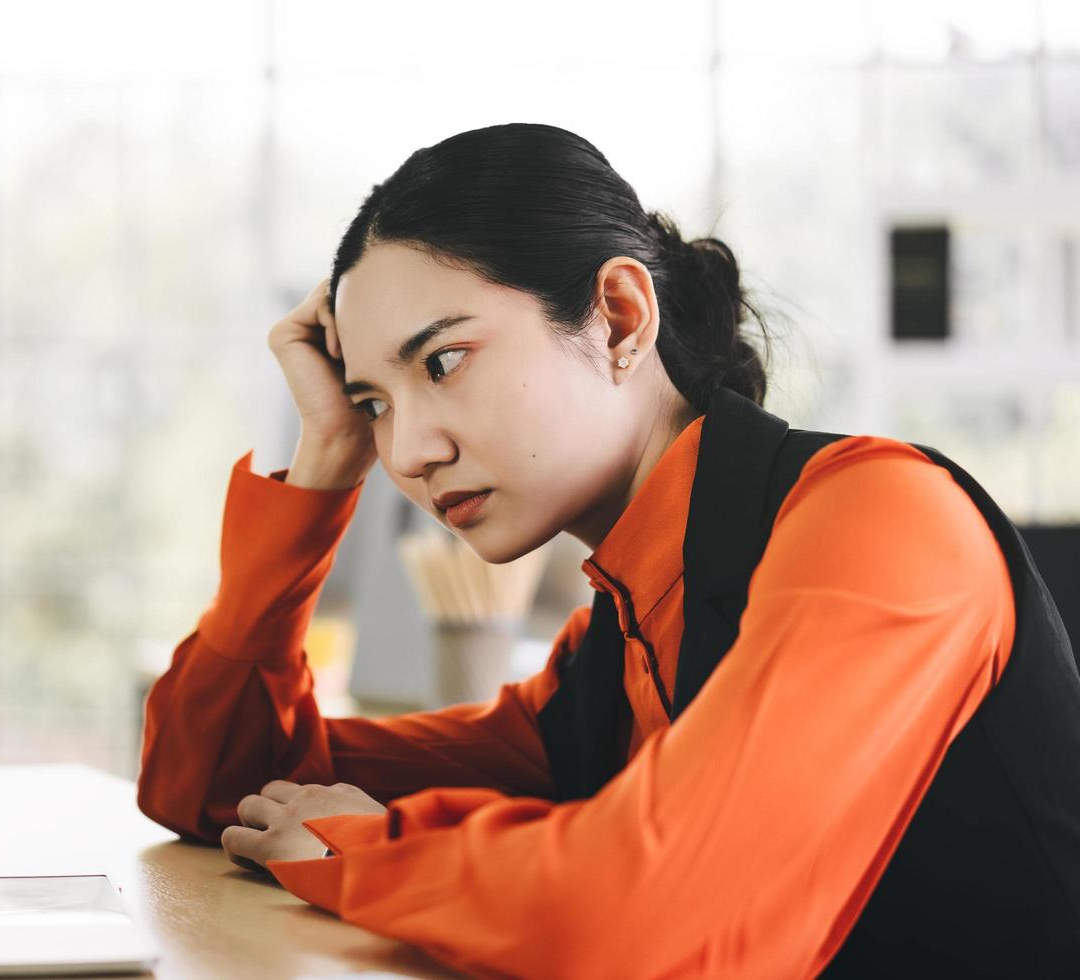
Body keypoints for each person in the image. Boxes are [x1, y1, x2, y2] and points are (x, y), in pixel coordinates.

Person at [136, 123, 1080, 977]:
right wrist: (324, 465)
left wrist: (379, 848)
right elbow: (219, 784)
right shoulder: (613, 653)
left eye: (445, 361)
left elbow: (658, 917)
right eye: (376, 404)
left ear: (620, 317)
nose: (410, 452)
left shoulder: (883, 516)